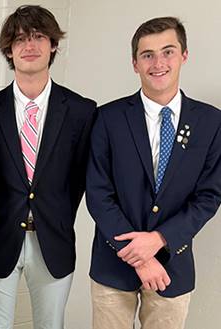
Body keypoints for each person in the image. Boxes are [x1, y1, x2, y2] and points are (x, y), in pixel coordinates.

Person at [86, 16, 221, 329]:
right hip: (112, 263)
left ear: (184, 56)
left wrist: (160, 239)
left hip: (174, 265)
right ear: (135, 63)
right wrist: (140, 256)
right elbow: (97, 192)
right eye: (147, 55)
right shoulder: (108, 118)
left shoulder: (210, 123)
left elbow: (209, 196)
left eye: (168, 51)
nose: (158, 63)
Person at [0, 5, 96, 329]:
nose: (29, 45)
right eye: (20, 38)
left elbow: (80, 179)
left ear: (53, 44)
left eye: (39, 36)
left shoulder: (82, 111)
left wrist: (57, 215)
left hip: (54, 240)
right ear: (8, 50)